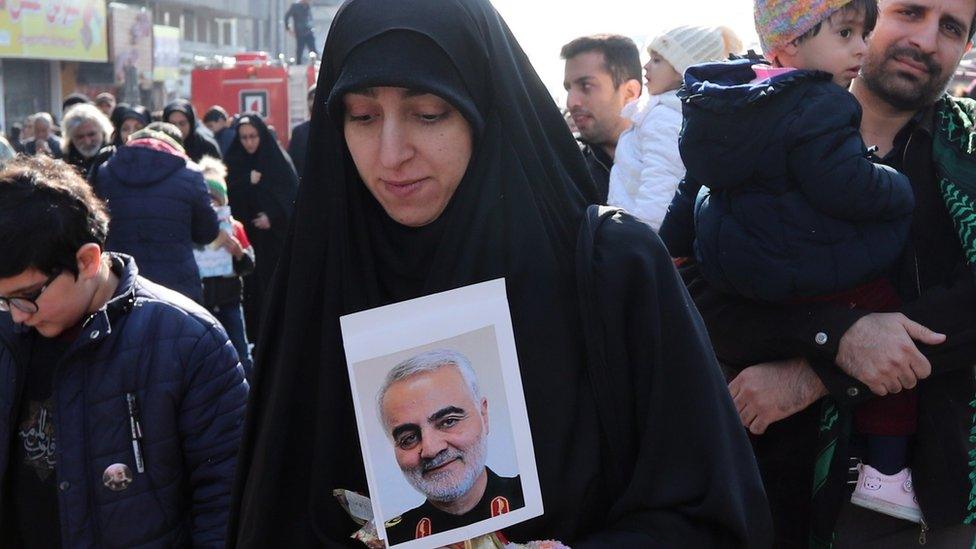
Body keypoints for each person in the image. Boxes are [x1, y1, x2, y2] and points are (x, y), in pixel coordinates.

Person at [226, 1, 772, 546]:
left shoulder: (612, 269)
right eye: (362, 117)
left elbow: (713, 513)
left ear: (483, 108)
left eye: (428, 113)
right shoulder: (318, 286)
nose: (391, 154)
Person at [661, 0, 976, 545]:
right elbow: (689, 288)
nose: (926, 40)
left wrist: (817, 373)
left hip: (942, 487)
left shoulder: (968, 155)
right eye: (909, 13)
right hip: (777, 484)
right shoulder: (750, 130)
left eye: (951, 28)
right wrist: (828, 331)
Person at [0, 155, 247, 547]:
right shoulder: (9, 332)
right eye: (3, 301)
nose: (16, 316)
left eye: (27, 297)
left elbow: (228, 501)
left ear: (86, 261)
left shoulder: (186, 340)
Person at [379, 350, 524, 544]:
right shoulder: (391, 539)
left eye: (448, 421)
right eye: (408, 438)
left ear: (484, 415)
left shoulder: (536, 498)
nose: (430, 449)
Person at [607, 26, 740, 230]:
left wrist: (641, 241)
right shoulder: (668, 112)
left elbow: (661, 185)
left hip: (640, 234)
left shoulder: (664, 117)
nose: (646, 66)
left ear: (682, 70)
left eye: (657, 60)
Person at [94, 123, 220, 304]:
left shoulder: (106, 172)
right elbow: (207, 233)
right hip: (177, 286)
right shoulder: (190, 174)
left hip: (122, 285)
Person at [225, 113, 298, 341]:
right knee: (249, 292)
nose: (249, 142)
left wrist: (272, 217)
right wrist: (246, 180)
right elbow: (223, 193)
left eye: (253, 136)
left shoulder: (276, 160)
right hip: (244, 241)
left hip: (272, 241)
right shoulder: (234, 160)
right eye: (244, 137)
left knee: (272, 290)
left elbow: (292, 195)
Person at [561, 35, 642, 203]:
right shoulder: (565, 167)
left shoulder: (675, 154)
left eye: (586, 86)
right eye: (569, 89)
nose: (571, 102)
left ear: (629, 92)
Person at [197, 155, 256, 378]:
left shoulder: (235, 227)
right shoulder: (195, 229)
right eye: (207, 199)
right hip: (203, 301)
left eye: (216, 199)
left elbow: (249, 264)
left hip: (229, 299)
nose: (211, 204)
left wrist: (239, 253)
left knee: (240, 352)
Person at [60, 103, 114, 177]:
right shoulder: (64, 163)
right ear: (70, 138)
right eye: (80, 137)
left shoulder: (115, 158)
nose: (87, 142)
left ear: (103, 131)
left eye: (92, 134)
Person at [287, 85, 316, 180]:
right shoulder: (299, 132)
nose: (313, 103)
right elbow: (292, 163)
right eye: (311, 99)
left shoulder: (336, 129)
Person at [285, 0, 317, 64]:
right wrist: (288, 28)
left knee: (313, 49)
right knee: (299, 51)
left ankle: (315, 64)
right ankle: (298, 65)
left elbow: (309, 17)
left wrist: (312, 27)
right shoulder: (295, 6)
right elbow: (286, 16)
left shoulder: (307, 6)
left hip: (309, 31)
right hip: (300, 33)